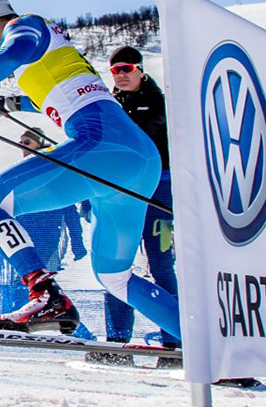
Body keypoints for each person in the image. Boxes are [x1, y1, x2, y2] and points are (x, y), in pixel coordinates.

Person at [0, 0, 177, 338]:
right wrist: (13, 102)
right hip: (139, 162)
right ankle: (206, 345)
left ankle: (44, 293)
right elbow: (61, 99)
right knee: (115, 276)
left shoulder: (25, 26)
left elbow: (12, 53)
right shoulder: (51, 54)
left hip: (103, 150)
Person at [86, 45, 180, 366]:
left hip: (158, 194)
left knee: (161, 265)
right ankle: (117, 342)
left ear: (140, 69)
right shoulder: (111, 103)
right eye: (115, 70)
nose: (121, 75)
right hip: (121, 195)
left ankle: (175, 344)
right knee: (115, 267)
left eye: (126, 68)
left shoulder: (157, 102)